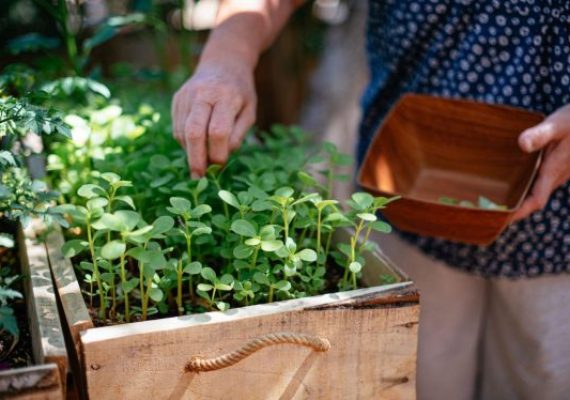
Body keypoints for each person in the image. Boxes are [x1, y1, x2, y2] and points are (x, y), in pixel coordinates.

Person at [171, 1, 570, 399]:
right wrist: (225, 59)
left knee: (547, 374)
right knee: (412, 378)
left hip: (558, 222)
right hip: (404, 186)